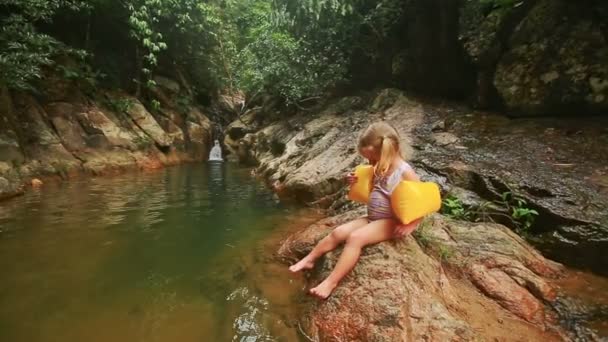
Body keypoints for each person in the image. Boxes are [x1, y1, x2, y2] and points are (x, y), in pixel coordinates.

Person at [289, 122, 422, 299]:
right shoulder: (379, 166)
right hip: (373, 217)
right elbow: (367, 186)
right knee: (338, 232)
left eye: (372, 158)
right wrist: (351, 181)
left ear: (386, 151)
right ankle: (309, 260)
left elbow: (422, 202)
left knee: (355, 238)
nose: (369, 163)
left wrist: (412, 225)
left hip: (391, 220)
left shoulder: (405, 173)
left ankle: (331, 282)